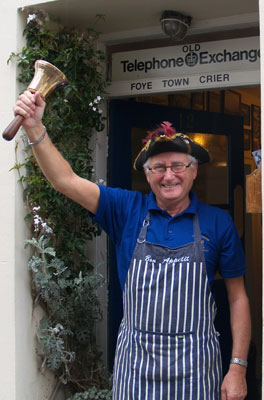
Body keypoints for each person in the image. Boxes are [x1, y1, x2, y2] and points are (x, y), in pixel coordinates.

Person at [14, 90, 251, 400]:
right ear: (147, 175)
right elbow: (65, 181)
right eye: (158, 167)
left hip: (196, 365)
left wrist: (237, 367)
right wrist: (34, 126)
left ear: (194, 170)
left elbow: (238, 299)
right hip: (137, 367)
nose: (169, 176)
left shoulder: (218, 222)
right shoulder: (126, 209)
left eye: (178, 166)